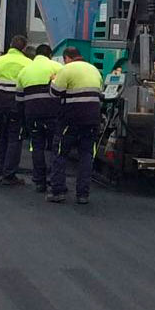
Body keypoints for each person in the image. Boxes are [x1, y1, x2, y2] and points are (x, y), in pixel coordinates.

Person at [49, 47, 104, 204]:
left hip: (70, 121)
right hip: (92, 121)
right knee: (86, 156)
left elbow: (55, 92)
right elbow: (100, 94)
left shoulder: (66, 70)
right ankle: (83, 194)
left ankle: (58, 191)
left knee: (60, 154)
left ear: (67, 58)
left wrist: (52, 80)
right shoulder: (94, 70)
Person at [0, 36, 31, 186]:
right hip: (17, 104)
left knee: (2, 137)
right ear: (24, 48)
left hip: (0, 104)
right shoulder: (28, 63)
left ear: (10, 45)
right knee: (15, 138)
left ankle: (1, 171)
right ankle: (9, 174)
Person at [17, 44, 64, 191]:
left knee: (37, 147)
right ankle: (54, 180)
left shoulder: (24, 71)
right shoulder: (57, 67)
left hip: (33, 114)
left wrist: (23, 119)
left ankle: (39, 181)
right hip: (53, 114)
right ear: (49, 55)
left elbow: (19, 99)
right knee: (55, 148)